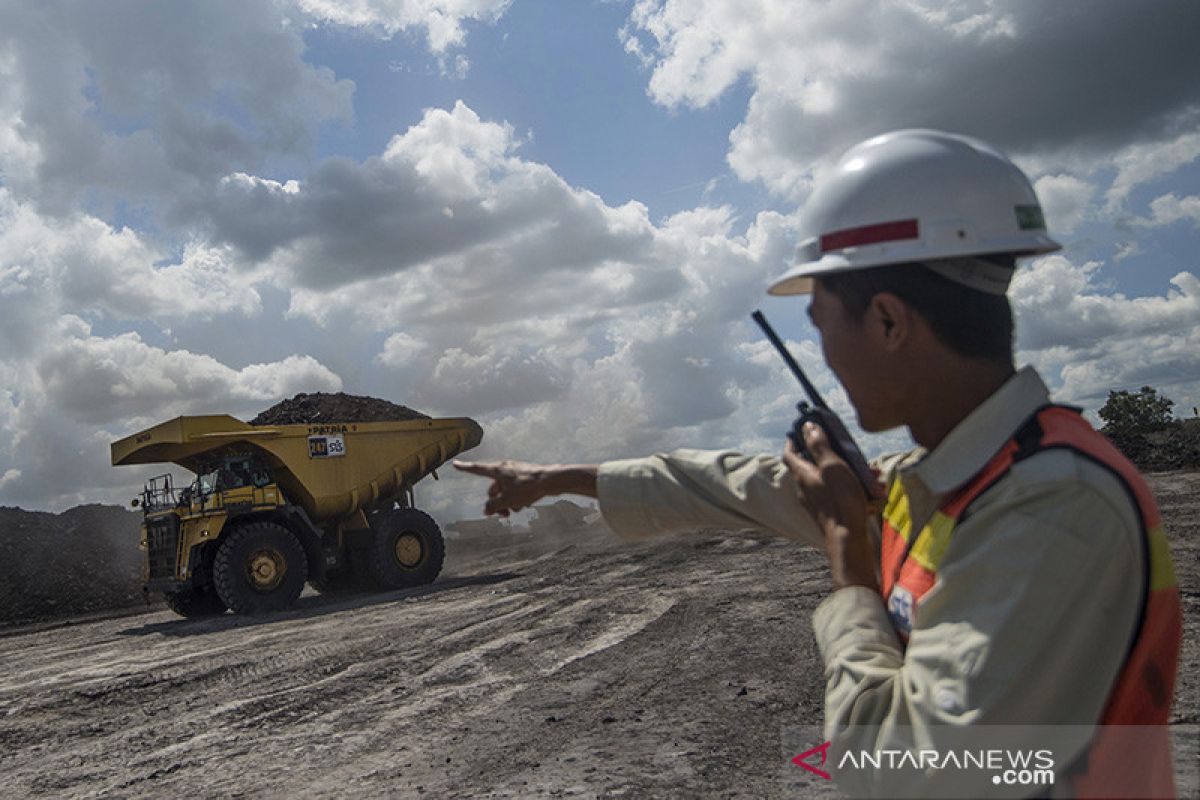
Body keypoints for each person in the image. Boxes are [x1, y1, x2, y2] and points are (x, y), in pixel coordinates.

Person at [454, 130, 1180, 797]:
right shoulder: (956, 481)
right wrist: (560, 478)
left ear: (889, 321)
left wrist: (846, 556)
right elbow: (732, 484)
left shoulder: (1052, 507)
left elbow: (899, 771)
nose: (825, 354)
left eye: (822, 324)